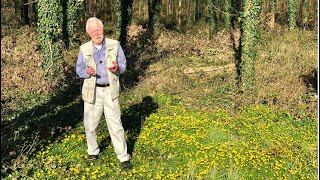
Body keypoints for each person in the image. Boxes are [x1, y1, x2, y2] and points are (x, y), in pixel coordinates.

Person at [76, 17, 133, 171]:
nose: (97, 33)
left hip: (110, 90)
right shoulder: (84, 49)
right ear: (89, 33)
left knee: (116, 125)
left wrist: (117, 69)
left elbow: (123, 65)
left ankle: (123, 158)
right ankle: (93, 151)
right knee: (90, 125)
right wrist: (86, 72)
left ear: (103, 29)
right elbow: (79, 70)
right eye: (93, 31)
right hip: (92, 91)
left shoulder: (115, 45)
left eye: (99, 30)